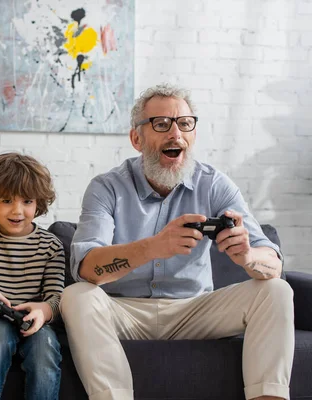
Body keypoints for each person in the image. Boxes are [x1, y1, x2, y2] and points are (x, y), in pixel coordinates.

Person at [60, 83, 294, 400]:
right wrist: (153, 247)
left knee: (276, 289)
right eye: (161, 124)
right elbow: (86, 268)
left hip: (194, 311)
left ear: (193, 134)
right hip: (124, 312)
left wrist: (249, 257)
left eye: (184, 123)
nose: (175, 134)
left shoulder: (214, 184)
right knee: (77, 296)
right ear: (136, 139)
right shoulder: (107, 187)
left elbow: (274, 263)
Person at [0, 152, 65, 400]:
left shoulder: (51, 246)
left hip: (34, 323)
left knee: (45, 350)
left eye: (27, 201)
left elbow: (57, 298)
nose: (17, 211)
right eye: (7, 200)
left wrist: (43, 311)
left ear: (38, 203)